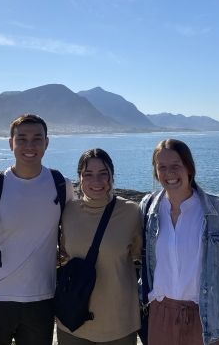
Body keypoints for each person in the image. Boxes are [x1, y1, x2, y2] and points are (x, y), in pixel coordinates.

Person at [0, 114, 74, 345]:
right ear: (11, 142)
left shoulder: (62, 186)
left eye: (37, 139)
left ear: (47, 143)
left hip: (42, 301)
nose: (29, 146)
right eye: (21, 139)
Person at [140, 139, 219, 345]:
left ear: (189, 168)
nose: (169, 173)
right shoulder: (148, 209)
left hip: (208, 318)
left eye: (176, 165)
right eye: (162, 167)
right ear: (156, 172)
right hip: (161, 315)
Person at [56, 148, 142, 345]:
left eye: (103, 174)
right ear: (80, 178)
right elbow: (62, 254)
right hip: (72, 322)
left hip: (119, 324)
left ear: (112, 176)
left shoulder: (131, 212)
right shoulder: (68, 212)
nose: (96, 181)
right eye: (88, 174)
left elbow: (142, 255)